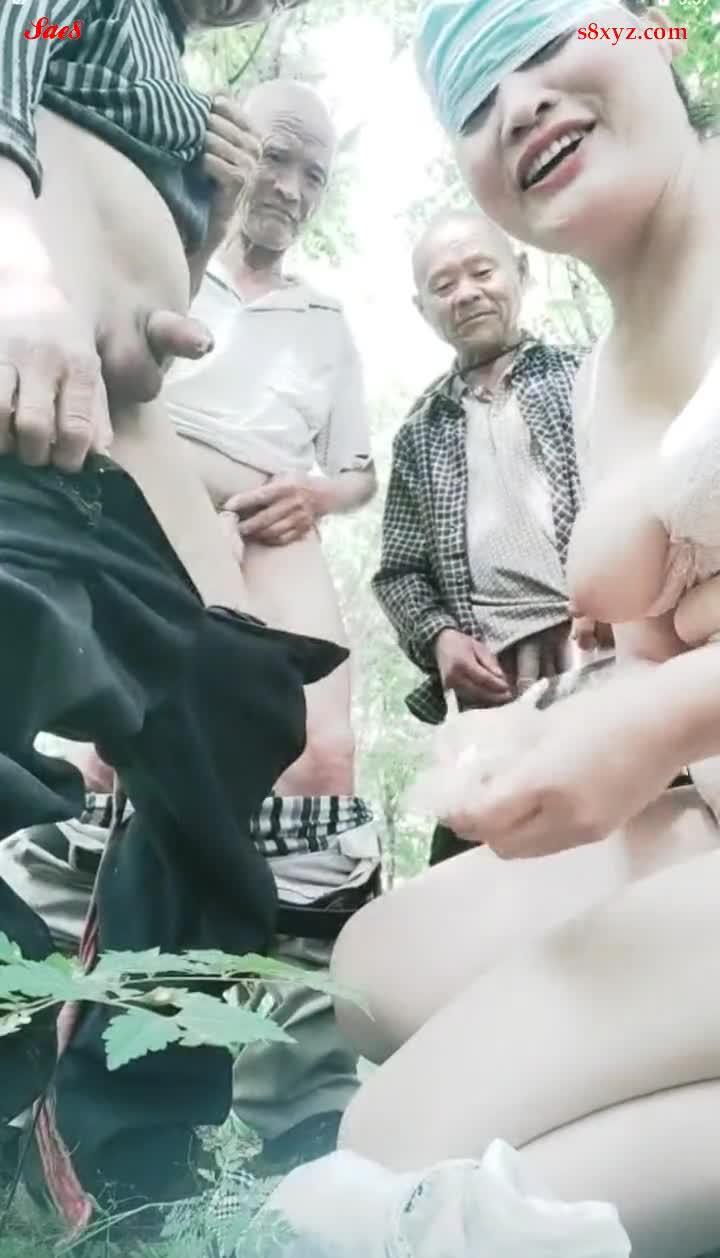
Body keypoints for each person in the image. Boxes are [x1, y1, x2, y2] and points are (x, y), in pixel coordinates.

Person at [330, 2, 720, 1253]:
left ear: (657, 32)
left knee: (398, 1174)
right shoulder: (590, 384)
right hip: (687, 793)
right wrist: (526, 732)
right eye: (473, 99)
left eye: (544, 38)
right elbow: (635, 654)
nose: (518, 102)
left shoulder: (555, 376)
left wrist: (653, 722)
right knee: (371, 967)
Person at [0, 0, 343, 1227]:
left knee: (237, 700)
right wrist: (19, 273)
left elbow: (153, 294)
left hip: (112, 434)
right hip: (21, 394)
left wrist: (202, 208)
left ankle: (130, 1145)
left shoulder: (169, 68)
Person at [165, 77, 377, 799]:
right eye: (276, 157)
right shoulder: (172, 252)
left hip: (275, 524)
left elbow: (357, 471)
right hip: (154, 495)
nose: (290, 189)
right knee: (128, 731)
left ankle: (293, 878)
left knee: (323, 751)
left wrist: (317, 497)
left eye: (313, 175)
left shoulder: (325, 319)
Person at [373, 208, 594, 863]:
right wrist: (440, 638)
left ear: (520, 273)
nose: (466, 293)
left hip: (602, 654)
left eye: (481, 272)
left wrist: (620, 600)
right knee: (477, 858)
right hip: (494, 689)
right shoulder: (420, 432)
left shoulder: (585, 374)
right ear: (422, 309)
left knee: (623, 839)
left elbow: (638, 487)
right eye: (443, 285)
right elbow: (401, 572)